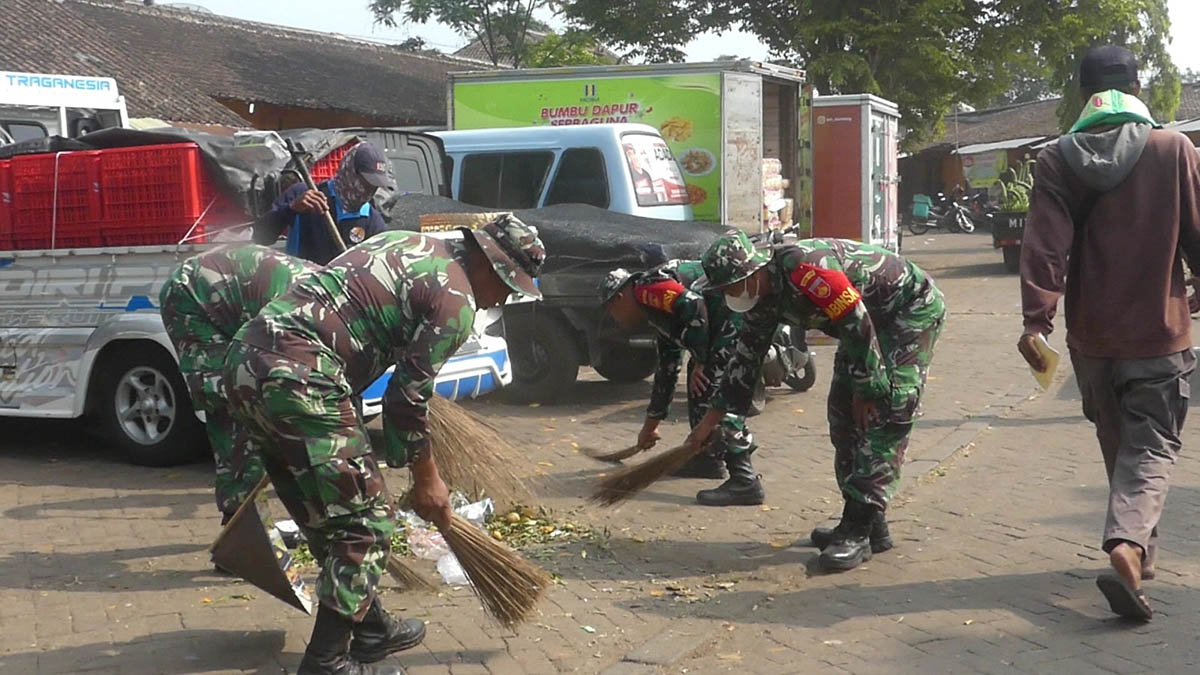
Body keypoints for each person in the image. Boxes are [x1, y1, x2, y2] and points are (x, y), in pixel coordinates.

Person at [224, 216, 545, 675]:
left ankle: (371, 628)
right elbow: (407, 398)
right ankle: (327, 663)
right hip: (302, 376)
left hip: (246, 365)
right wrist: (427, 479)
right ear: (488, 265)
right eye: (508, 286)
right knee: (368, 521)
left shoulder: (406, 242)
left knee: (324, 513)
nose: (504, 298)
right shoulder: (457, 303)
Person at [1018, 45, 1200, 622]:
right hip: (1159, 333)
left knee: (1118, 444)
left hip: (1092, 340)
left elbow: (1045, 247)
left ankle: (1140, 551)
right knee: (1151, 449)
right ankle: (1126, 542)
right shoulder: (1174, 150)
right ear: (1138, 86)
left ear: (1083, 94)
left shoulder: (1056, 158)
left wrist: (1035, 320)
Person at [690, 232, 945, 572]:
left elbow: (855, 321)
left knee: (885, 412)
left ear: (753, 272)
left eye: (731, 285)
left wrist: (868, 389)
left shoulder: (806, 270)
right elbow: (744, 363)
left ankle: (857, 531)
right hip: (864, 328)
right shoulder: (760, 299)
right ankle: (872, 526)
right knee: (843, 417)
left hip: (906, 312)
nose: (727, 294)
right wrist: (709, 423)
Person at [159, 244, 318, 529]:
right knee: (234, 411)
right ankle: (241, 525)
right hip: (194, 299)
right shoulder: (305, 311)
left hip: (237, 304)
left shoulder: (335, 304)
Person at [599, 260, 763, 505]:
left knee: (716, 389)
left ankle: (745, 480)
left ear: (620, 297)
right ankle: (706, 459)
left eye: (611, 311)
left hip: (733, 319)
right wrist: (650, 425)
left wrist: (701, 359)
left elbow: (695, 305)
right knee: (697, 382)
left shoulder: (647, 288)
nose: (615, 319)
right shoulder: (654, 311)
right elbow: (667, 369)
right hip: (714, 328)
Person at [255, 142, 394, 265]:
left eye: (375, 186)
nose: (369, 190)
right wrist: (291, 210)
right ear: (350, 172)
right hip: (299, 287)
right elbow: (260, 236)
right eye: (366, 182)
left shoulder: (372, 221)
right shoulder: (304, 194)